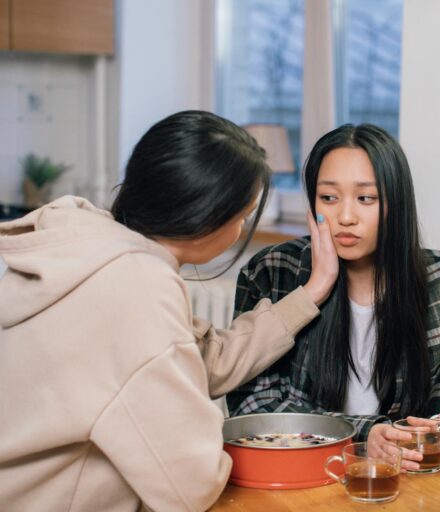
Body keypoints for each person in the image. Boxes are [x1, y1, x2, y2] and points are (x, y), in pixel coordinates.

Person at [0, 110, 338, 512]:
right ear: (205, 217)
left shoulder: (91, 248)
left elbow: (201, 359)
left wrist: (311, 292)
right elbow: (192, 485)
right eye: (243, 217)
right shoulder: (136, 288)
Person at [227, 123, 440, 471]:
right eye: (328, 198)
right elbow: (252, 405)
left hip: (414, 479)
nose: (346, 217)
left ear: (396, 203)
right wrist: (365, 435)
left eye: (366, 199)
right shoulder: (272, 272)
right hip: (306, 476)